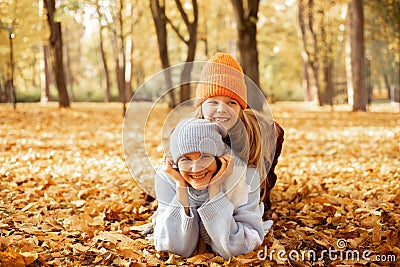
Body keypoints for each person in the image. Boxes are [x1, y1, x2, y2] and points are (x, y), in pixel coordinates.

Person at [153, 118, 265, 259]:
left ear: (219, 157)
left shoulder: (246, 177)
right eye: (185, 159)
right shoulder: (168, 177)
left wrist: (215, 191)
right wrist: (181, 189)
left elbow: (240, 248)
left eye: (205, 156)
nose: (196, 168)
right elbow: (173, 248)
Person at [194, 53, 284, 217]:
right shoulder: (186, 136)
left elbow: (261, 198)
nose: (221, 109)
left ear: (241, 108)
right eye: (213, 102)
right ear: (201, 106)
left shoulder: (264, 134)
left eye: (231, 102)